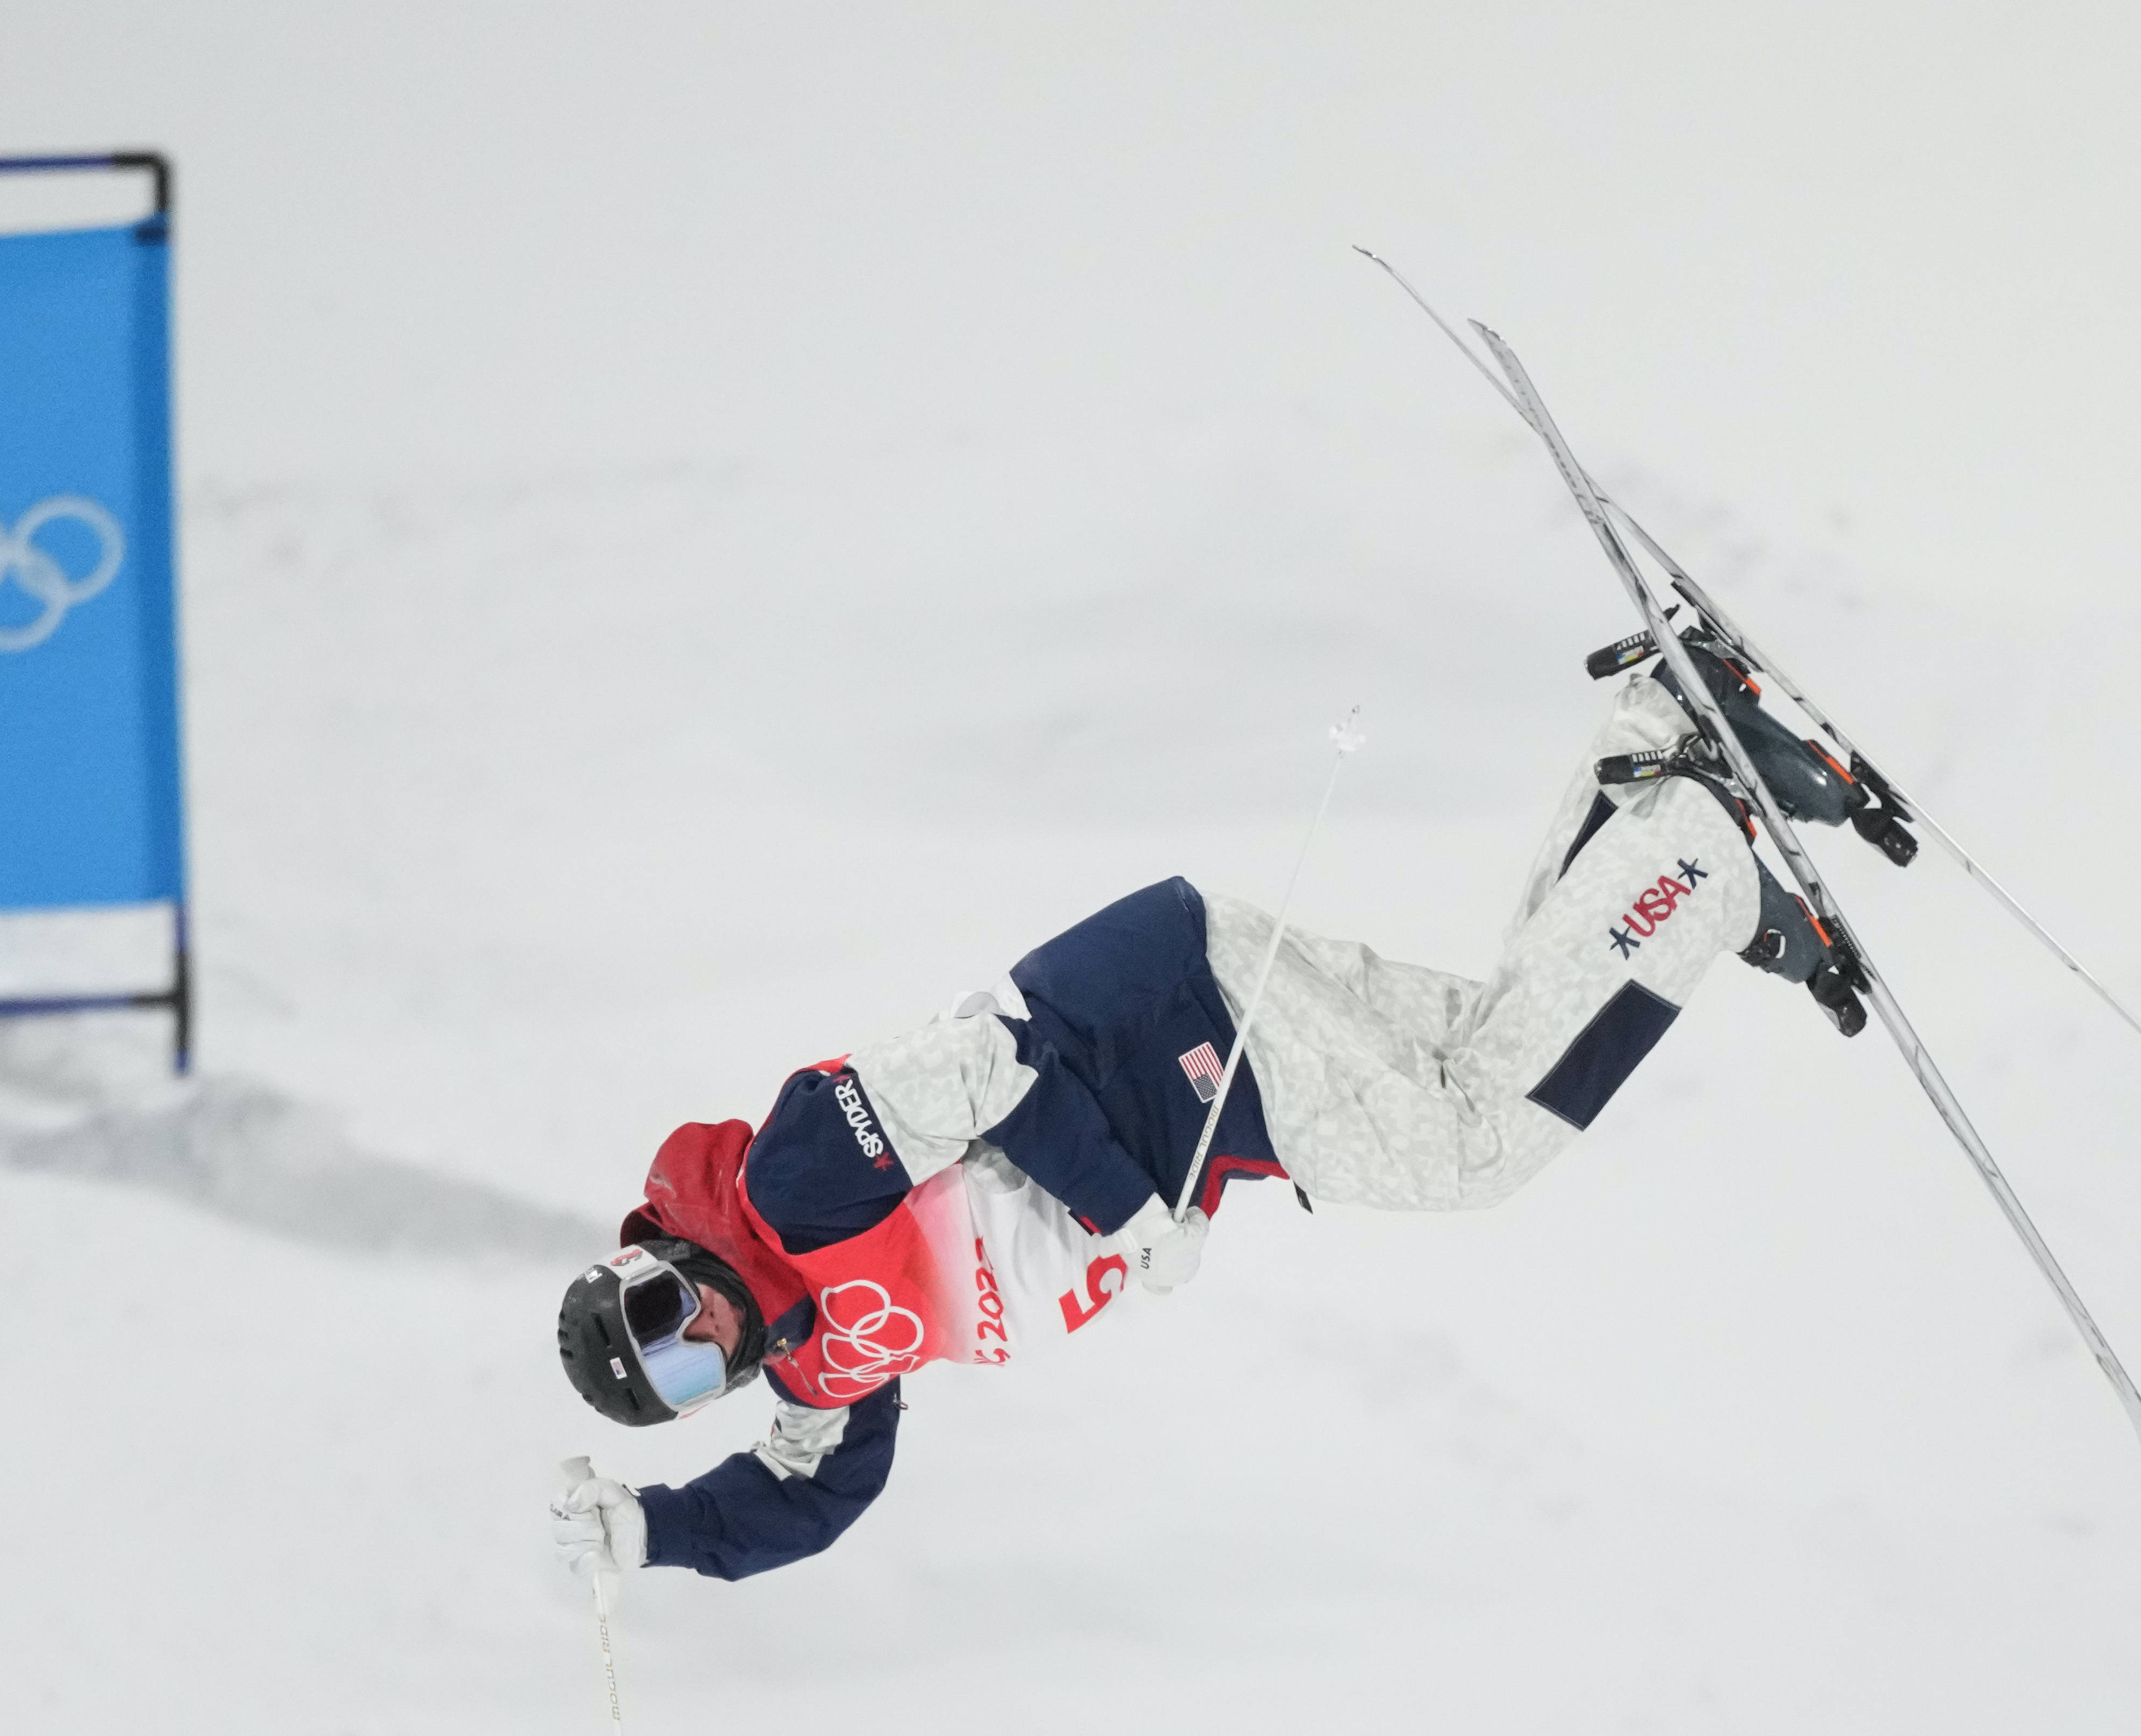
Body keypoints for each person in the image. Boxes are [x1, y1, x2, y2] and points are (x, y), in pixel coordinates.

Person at [549, 645, 1879, 1583]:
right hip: (1188, 1050)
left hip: (1162, 1025)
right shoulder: (811, 1364)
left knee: (1472, 1141)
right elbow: (811, 1494)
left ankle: (1697, 846)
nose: (700, 1337)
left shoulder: (784, 1187)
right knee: (1495, 1042)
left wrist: (1124, 1214)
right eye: (681, 1374)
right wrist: (654, 1536)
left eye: (663, 1312)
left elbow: (984, 1063)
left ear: (655, 1258)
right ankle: (1659, 760)